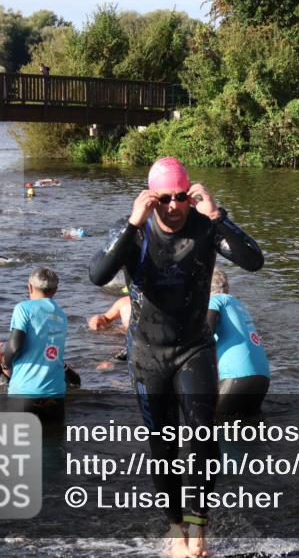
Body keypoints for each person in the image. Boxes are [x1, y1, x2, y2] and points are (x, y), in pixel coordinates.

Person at [88, 156, 263, 558]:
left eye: (180, 197)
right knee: (163, 446)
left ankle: (199, 529)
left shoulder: (205, 227)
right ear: (152, 198)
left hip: (194, 348)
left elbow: (254, 261)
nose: (173, 206)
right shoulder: (134, 229)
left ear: (190, 195)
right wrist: (133, 222)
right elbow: (97, 274)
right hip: (147, 354)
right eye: (164, 198)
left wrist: (217, 215)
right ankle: (175, 526)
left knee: (203, 438)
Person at [1, 268, 69, 421]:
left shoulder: (23, 308)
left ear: (29, 287)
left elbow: (14, 346)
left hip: (25, 392)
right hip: (55, 392)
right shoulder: (62, 315)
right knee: (53, 443)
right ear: (56, 290)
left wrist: (5, 364)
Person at [208, 269, 270, 420]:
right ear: (227, 287)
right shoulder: (238, 305)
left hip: (238, 377)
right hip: (262, 378)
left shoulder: (214, 301)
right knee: (250, 431)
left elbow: (206, 333)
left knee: (213, 424)